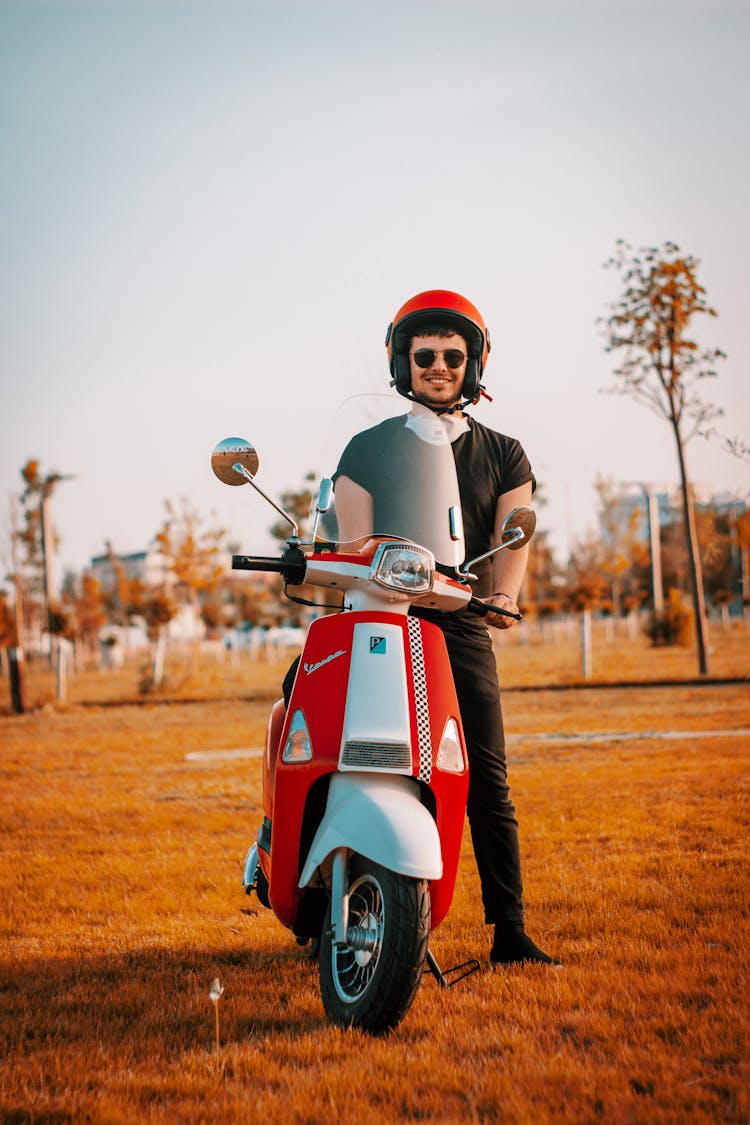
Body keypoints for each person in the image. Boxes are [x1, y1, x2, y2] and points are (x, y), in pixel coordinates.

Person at [332, 289, 559, 968]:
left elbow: (509, 544)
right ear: (403, 361)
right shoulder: (365, 450)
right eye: (422, 354)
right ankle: (307, 882)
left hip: (459, 626)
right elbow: (354, 543)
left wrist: (502, 596)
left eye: (452, 355)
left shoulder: (506, 454)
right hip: (381, 616)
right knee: (331, 740)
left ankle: (509, 930)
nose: (437, 365)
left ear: (474, 363)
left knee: (486, 774)